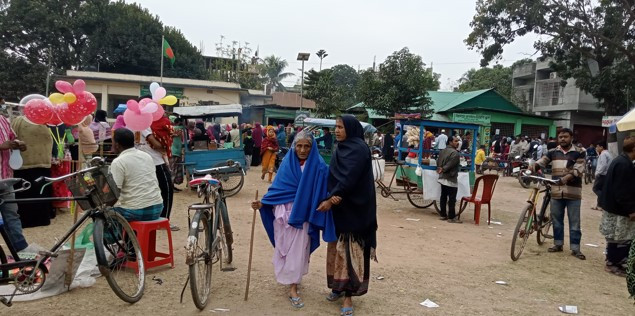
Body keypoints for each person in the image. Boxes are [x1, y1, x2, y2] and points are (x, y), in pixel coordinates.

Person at [252, 130, 336, 309]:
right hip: (282, 215)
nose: (303, 149)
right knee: (283, 248)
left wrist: (327, 201)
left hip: (303, 216)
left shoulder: (320, 167)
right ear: (294, 146)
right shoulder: (286, 165)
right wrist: (262, 204)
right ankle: (290, 277)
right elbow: (276, 190)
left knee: (298, 252)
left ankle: (293, 287)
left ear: (312, 147)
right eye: (299, 146)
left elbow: (322, 192)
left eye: (307, 146)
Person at [318, 115, 377, 316]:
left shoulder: (359, 149)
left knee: (350, 253)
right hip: (339, 208)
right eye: (335, 127)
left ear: (351, 129)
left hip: (356, 210)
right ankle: (337, 287)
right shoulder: (339, 148)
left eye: (341, 127)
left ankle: (348, 296)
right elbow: (334, 176)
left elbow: (349, 177)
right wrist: (332, 196)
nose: (337, 131)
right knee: (337, 250)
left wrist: (334, 196)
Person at [532, 128, 587, 260]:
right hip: (556, 192)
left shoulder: (580, 152)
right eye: (560, 137)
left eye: (565, 137)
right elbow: (542, 162)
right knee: (557, 220)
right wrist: (532, 167)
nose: (563, 139)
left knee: (574, 223)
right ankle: (558, 244)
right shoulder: (552, 152)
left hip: (573, 193)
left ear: (571, 137)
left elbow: (578, 170)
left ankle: (575, 248)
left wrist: (564, 179)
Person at [599, 137, 635, 277]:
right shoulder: (623, 164)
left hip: (615, 207)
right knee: (618, 238)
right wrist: (631, 210)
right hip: (618, 209)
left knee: (619, 237)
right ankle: (612, 263)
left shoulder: (623, 161)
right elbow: (622, 191)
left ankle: (617, 262)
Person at [110, 128, 163, 221]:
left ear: (117, 145)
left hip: (137, 211)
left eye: (112, 142)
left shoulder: (118, 162)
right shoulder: (146, 156)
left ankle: (112, 236)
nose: (112, 145)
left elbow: (115, 192)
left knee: (105, 214)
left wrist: (104, 206)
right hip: (157, 208)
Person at [11, 115, 53, 227]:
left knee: (24, 193)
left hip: (23, 163)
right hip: (42, 163)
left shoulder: (19, 121)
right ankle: (43, 218)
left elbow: (12, 137)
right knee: (40, 192)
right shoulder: (44, 123)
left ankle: (25, 220)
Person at [0, 112, 33, 254]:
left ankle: (21, 251)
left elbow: (13, 138)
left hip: (6, 178)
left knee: (11, 215)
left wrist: (19, 144)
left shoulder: (3, 119)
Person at [138, 125, 176, 230]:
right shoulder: (143, 125)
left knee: (150, 191)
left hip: (144, 162)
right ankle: (164, 220)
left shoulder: (135, 124)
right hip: (156, 162)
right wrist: (165, 146)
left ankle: (154, 218)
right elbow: (155, 143)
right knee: (167, 190)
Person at [437, 135, 461, 223]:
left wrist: (441, 168)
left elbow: (438, 161)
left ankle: (443, 215)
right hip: (451, 177)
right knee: (451, 198)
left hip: (443, 177)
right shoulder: (455, 153)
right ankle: (451, 217)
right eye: (455, 141)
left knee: (443, 196)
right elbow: (450, 164)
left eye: (457, 141)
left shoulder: (442, 151)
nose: (457, 142)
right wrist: (443, 169)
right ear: (450, 142)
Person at [591, 141, 612, 210]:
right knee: (601, 189)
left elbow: (603, 165)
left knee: (595, 189)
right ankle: (599, 205)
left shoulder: (603, 154)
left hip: (602, 175)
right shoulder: (607, 153)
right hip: (606, 175)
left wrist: (598, 173)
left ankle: (603, 201)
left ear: (601, 147)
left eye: (597, 146)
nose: (596, 148)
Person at [170, 117, 185, 189]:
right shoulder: (176, 128)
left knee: (175, 169)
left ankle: (172, 185)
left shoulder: (171, 128)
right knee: (173, 169)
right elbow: (185, 126)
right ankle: (171, 185)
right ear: (179, 122)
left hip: (176, 151)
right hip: (174, 151)